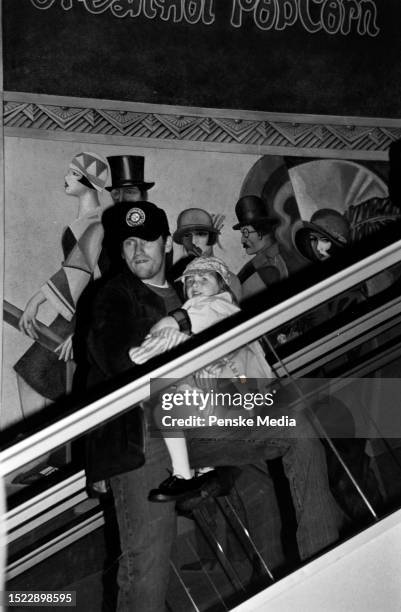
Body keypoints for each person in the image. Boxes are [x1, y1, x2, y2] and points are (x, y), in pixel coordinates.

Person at [85, 201, 344, 611]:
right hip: (143, 438)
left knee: (296, 433)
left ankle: (322, 569)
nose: (138, 251)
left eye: (147, 240)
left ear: (166, 242)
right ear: (119, 249)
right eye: (128, 242)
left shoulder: (192, 285)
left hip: (206, 420)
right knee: (146, 565)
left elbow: (231, 321)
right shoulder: (112, 295)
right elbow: (114, 360)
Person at [128, 256, 273, 502]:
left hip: (244, 401)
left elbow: (175, 323)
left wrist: (153, 342)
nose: (194, 285)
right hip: (243, 399)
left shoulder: (217, 305)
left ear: (223, 287)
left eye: (203, 279)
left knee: (163, 396)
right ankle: (206, 472)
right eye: (189, 282)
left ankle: (187, 474)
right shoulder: (216, 314)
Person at [15, 151, 110, 416]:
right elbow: (72, 270)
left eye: (72, 172)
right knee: (44, 379)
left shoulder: (98, 223)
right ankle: (39, 450)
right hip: (75, 311)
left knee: (33, 373)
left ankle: (36, 449)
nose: (66, 177)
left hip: (88, 315)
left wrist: (84, 330)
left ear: (87, 179)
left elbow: (83, 274)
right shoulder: (85, 221)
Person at [233, 195, 307, 301]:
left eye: (245, 233)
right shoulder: (260, 261)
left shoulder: (270, 269)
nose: (242, 240)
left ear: (261, 231)